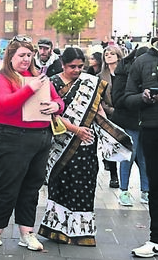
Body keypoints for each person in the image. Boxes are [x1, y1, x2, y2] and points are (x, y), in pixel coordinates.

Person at [0, 36, 64, 252]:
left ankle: (26, 232)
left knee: (31, 187)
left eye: (29, 55)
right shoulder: (2, 79)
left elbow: (58, 100)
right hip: (10, 137)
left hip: (40, 137)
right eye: (21, 55)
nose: (26, 59)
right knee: (7, 186)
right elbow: (1, 105)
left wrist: (56, 107)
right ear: (11, 56)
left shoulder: (39, 77)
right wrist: (29, 89)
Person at [38, 48, 113, 246]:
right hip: (62, 141)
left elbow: (97, 109)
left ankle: (82, 232)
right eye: (72, 66)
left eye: (80, 66)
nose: (77, 70)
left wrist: (108, 132)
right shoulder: (52, 83)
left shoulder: (90, 82)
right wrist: (76, 130)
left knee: (85, 182)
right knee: (61, 183)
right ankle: (57, 230)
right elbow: (51, 114)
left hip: (86, 142)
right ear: (63, 64)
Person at [124, 41, 158, 258]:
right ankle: (157, 239)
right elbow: (127, 98)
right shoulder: (142, 61)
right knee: (156, 186)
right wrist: (144, 97)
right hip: (152, 128)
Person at [111, 46, 150, 206]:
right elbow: (117, 99)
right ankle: (124, 190)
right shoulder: (124, 73)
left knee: (145, 157)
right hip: (129, 120)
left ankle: (146, 190)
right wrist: (139, 98)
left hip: (145, 121)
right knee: (128, 156)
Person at [100, 45, 124, 189]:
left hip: (125, 113)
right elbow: (100, 98)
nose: (108, 55)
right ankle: (114, 176)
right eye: (106, 54)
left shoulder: (125, 73)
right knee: (110, 146)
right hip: (109, 114)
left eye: (112, 53)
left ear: (118, 56)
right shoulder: (101, 76)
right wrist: (109, 110)